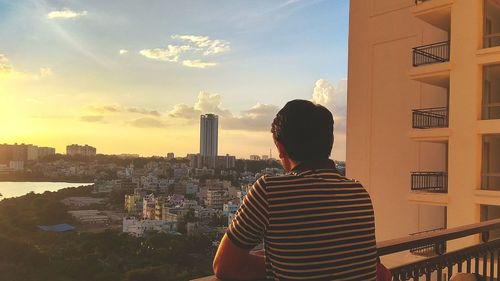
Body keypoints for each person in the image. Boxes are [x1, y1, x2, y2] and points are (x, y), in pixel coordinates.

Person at [213, 99, 378, 280]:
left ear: (281, 148)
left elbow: (224, 266)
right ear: (330, 142)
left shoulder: (269, 191)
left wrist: (273, 266)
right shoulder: (358, 193)